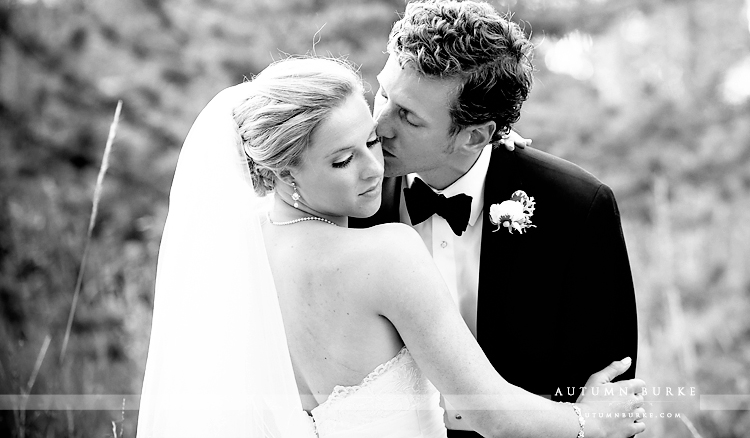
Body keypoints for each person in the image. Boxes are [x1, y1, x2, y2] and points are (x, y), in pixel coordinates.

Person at [136, 57, 646, 438]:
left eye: (372, 142)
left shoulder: (238, 254)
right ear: (282, 170)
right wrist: (588, 422)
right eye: (342, 161)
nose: (374, 168)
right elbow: (486, 409)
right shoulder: (387, 254)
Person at [350, 0, 639, 436]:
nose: (379, 124)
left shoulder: (577, 208)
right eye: (384, 93)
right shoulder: (343, 202)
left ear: (474, 135)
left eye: (408, 116)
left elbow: (609, 404)